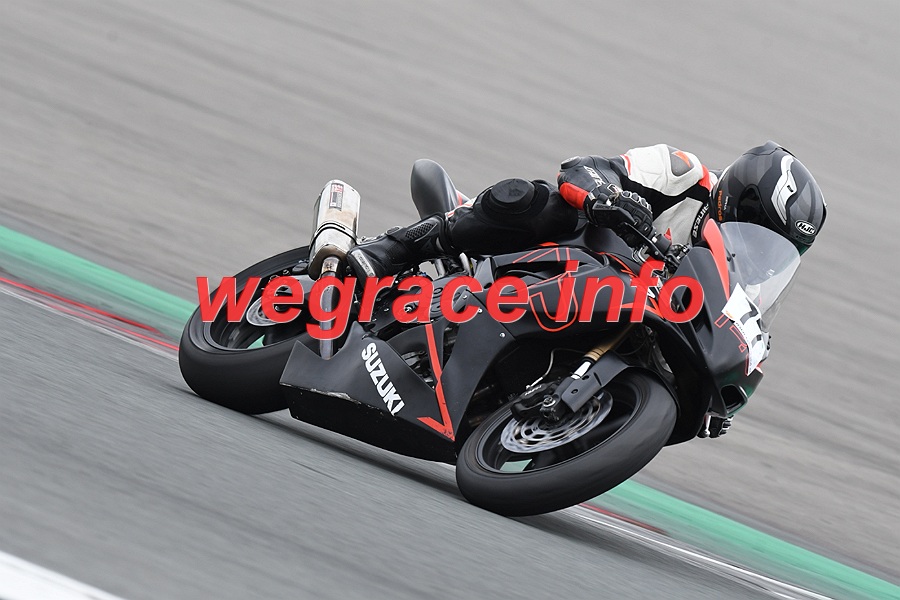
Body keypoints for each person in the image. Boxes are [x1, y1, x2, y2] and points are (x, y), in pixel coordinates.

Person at [346, 141, 826, 280]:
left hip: (617, 307)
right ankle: (394, 248)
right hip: (566, 255)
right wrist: (608, 198)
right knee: (545, 204)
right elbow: (582, 169)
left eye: (778, 249)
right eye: (761, 233)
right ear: (734, 201)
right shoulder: (684, 173)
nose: (762, 253)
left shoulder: (747, 274)